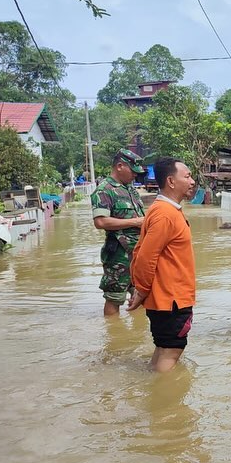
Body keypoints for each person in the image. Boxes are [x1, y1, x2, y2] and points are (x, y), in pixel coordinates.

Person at [127, 158, 197, 373]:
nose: (192, 181)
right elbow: (145, 257)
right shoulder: (165, 214)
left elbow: (140, 251)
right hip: (171, 300)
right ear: (171, 181)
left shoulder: (164, 210)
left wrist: (141, 290)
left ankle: (152, 386)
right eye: (187, 176)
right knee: (171, 350)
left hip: (167, 299)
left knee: (164, 349)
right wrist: (141, 290)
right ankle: (163, 393)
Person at [90, 149, 146, 316]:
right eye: (133, 171)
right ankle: (112, 330)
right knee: (114, 297)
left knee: (141, 294)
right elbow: (100, 222)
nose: (135, 175)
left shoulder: (130, 189)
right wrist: (135, 222)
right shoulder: (104, 190)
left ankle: (138, 330)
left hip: (138, 252)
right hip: (118, 255)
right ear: (120, 166)